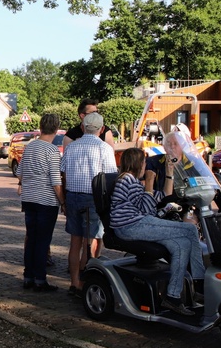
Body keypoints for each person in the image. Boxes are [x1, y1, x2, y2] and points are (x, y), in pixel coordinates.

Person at [110, 147, 206, 316]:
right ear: (138, 163)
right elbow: (146, 209)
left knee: (182, 244)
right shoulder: (126, 180)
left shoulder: (132, 182)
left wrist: (169, 172)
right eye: (144, 162)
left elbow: (165, 195)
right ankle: (200, 284)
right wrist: (149, 182)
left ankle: (173, 297)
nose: (146, 166)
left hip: (138, 224)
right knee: (190, 229)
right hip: (132, 226)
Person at [60, 112, 117, 296]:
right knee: (90, 241)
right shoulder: (104, 148)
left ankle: (74, 282)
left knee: (75, 241)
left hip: (72, 196)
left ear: (83, 127)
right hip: (93, 198)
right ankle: (85, 282)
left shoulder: (71, 147)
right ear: (101, 129)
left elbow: (63, 172)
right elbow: (110, 177)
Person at [17, 114, 65, 292]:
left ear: (41, 127)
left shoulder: (29, 147)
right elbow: (55, 181)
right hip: (46, 201)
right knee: (43, 241)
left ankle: (28, 276)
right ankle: (40, 279)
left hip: (29, 199)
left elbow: (20, 173)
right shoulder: (52, 151)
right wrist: (63, 202)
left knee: (31, 238)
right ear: (56, 129)